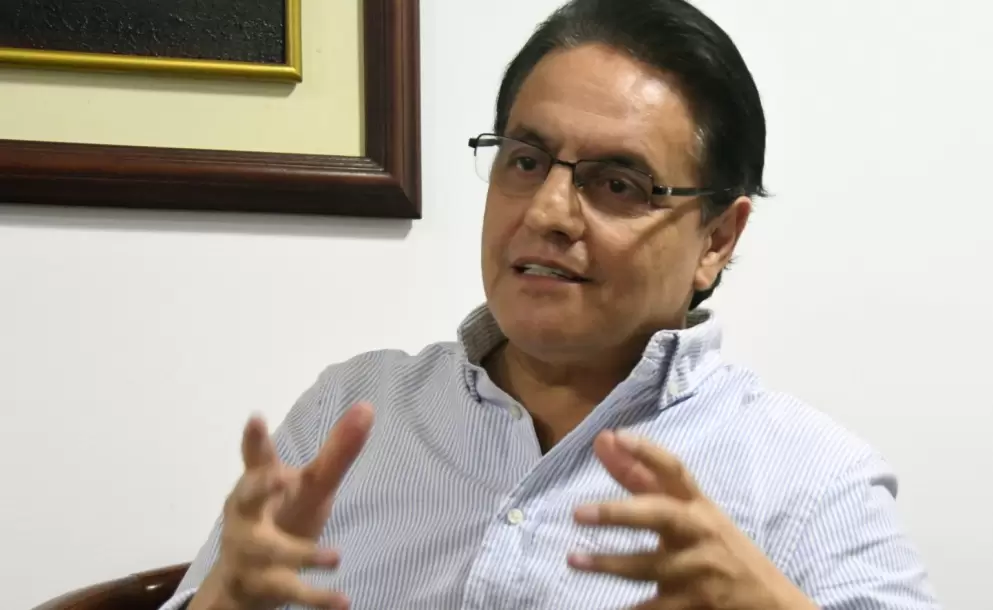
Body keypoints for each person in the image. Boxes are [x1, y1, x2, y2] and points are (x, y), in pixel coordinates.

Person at [161, 0, 940, 608]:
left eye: (617, 183)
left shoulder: (809, 480)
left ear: (716, 238)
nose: (547, 212)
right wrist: (226, 599)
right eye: (526, 161)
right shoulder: (350, 415)